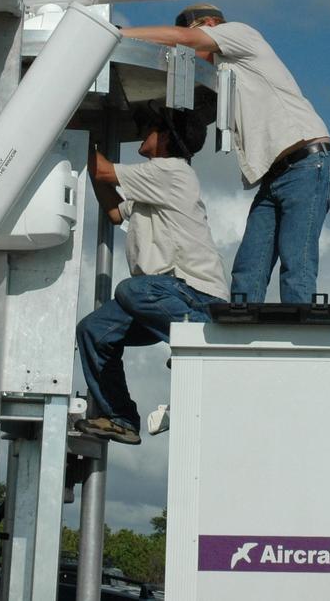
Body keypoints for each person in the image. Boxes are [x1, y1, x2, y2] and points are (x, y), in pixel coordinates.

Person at [121, 5, 330, 305]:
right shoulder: (227, 75)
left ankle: (298, 343)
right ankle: (238, 342)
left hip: (306, 164)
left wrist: (118, 36)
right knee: (248, 270)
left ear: (210, 25)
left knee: (296, 265)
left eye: (196, 43)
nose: (195, 58)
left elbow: (181, 38)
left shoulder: (240, 34)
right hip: (276, 176)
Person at [75, 102, 227, 445]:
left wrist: (77, 129)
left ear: (166, 140)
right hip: (157, 295)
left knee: (130, 290)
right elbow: (115, 211)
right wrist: (91, 155)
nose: (144, 133)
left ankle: (202, 343)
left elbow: (103, 172)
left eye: (152, 128)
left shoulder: (171, 172)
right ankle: (121, 418)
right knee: (93, 331)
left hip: (193, 293)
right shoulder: (153, 182)